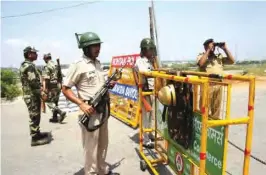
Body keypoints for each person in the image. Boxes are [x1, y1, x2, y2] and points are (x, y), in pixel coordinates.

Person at [62, 32, 119, 175]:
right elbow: (65, 88)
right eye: (94, 46)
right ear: (86, 48)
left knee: (103, 144)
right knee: (91, 147)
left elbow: (99, 84)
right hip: (90, 111)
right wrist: (81, 104)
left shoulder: (98, 64)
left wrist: (109, 84)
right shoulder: (78, 65)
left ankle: (102, 170)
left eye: (99, 45)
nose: (98, 48)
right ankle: (91, 173)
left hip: (102, 108)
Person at [19, 46, 50, 146]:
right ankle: (35, 138)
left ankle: (37, 133)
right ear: (29, 54)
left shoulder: (26, 65)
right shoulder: (29, 66)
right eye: (34, 53)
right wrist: (42, 93)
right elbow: (33, 83)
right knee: (34, 116)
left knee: (35, 115)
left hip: (30, 94)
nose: (36, 55)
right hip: (32, 95)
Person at [197, 38, 235, 119]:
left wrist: (225, 49)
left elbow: (232, 61)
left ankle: (213, 126)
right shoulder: (201, 55)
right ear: (205, 47)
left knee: (216, 108)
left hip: (219, 84)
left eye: (213, 45)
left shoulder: (219, 57)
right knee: (204, 107)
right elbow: (201, 63)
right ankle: (203, 124)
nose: (212, 47)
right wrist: (208, 50)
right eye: (210, 45)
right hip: (207, 85)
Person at [133, 38, 156, 149]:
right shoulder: (140, 61)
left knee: (151, 115)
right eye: (150, 49)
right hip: (143, 91)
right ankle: (146, 140)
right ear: (145, 50)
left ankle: (149, 133)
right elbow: (146, 73)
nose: (151, 52)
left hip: (149, 91)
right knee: (146, 117)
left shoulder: (149, 61)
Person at [42, 53, 66, 123]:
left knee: (48, 101)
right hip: (58, 85)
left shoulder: (47, 66)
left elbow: (46, 78)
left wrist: (45, 88)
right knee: (55, 101)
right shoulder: (56, 64)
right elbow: (60, 75)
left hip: (52, 86)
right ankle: (55, 117)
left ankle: (60, 112)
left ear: (46, 59)